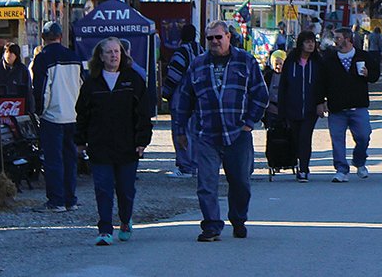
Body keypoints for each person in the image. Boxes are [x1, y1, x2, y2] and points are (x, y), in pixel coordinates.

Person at [171, 21, 269, 242]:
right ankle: (211, 226)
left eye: (218, 37)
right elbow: (184, 100)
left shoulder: (246, 61)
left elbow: (260, 94)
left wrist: (250, 122)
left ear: (228, 37)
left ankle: (238, 219)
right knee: (206, 184)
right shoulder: (197, 65)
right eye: (210, 38)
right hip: (207, 134)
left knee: (241, 182)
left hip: (238, 133)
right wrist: (180, 131)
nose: (214, 42)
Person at [75, 37, 153, 246]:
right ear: (100, 56)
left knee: (126, 190)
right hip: (100, 146)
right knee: (103, 188)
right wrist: (80, 141)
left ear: (123, 54)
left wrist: (142, 141)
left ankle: (125, 221)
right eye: (109, 52)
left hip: (127, 146)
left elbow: (143, 113)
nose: (114, 56)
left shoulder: (133, 80)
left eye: (117, 51)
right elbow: (82, 113)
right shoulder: (92, 82)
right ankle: (105, 229)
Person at [30, 20, 84, 212]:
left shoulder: (43, 58)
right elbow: (81, 85)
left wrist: (39, 112)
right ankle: (70, 199)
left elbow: (43, 90)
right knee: (70, 160)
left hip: (53, 117)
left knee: (53, 161)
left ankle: (56, 200)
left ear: (43, 38)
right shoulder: (74, 56)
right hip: (73, 115)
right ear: (61, 37)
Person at [322, 27, 381, 182]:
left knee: (364, 136)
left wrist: (369, 74)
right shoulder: (329, 59)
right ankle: (341, 170)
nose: (335, 41)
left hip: (358, 105)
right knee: (337, 140)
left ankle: (359, 160)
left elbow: (375, 75)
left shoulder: (363, 56)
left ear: (348, 39)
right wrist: (320, 102)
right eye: (335, 38)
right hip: (336, 107)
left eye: (338, 38)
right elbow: (321, 82)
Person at [280, 31, 327, 182]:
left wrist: (321, 102)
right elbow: (283, 86)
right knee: (294, 138)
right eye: (307, 42)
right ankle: (295, 163)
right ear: (301, 43)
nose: (310, 45)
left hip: (310, 109)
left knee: (305, 138)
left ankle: (304, 169)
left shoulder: (318, 63)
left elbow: (322, 85)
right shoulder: (291, 62)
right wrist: (281, 109)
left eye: (312, 41)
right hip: (292, 107)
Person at [162, 23, 203, 178]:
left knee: (180, 132)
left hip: (181, 99)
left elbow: (174, 75)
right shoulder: (202, 51)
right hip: (199, 100)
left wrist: (166, 93)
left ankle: (185, 167)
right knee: (195, 134)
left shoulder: (181, 53)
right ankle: (196, 165)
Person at [0, 43, 32, 116]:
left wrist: (29, 111)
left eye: (12, 53)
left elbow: (28, 92)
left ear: (16, 55)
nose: (9, 55)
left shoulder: (22, 70)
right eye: (7, 52)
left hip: (17, 107)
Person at [263, 50, 286, 122]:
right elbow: (263, 92)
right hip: (271, 109)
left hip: (285, 110)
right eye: (276, 64)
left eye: (281, 63)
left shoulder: (288, 75)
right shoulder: (268, 75)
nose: (278, 66)